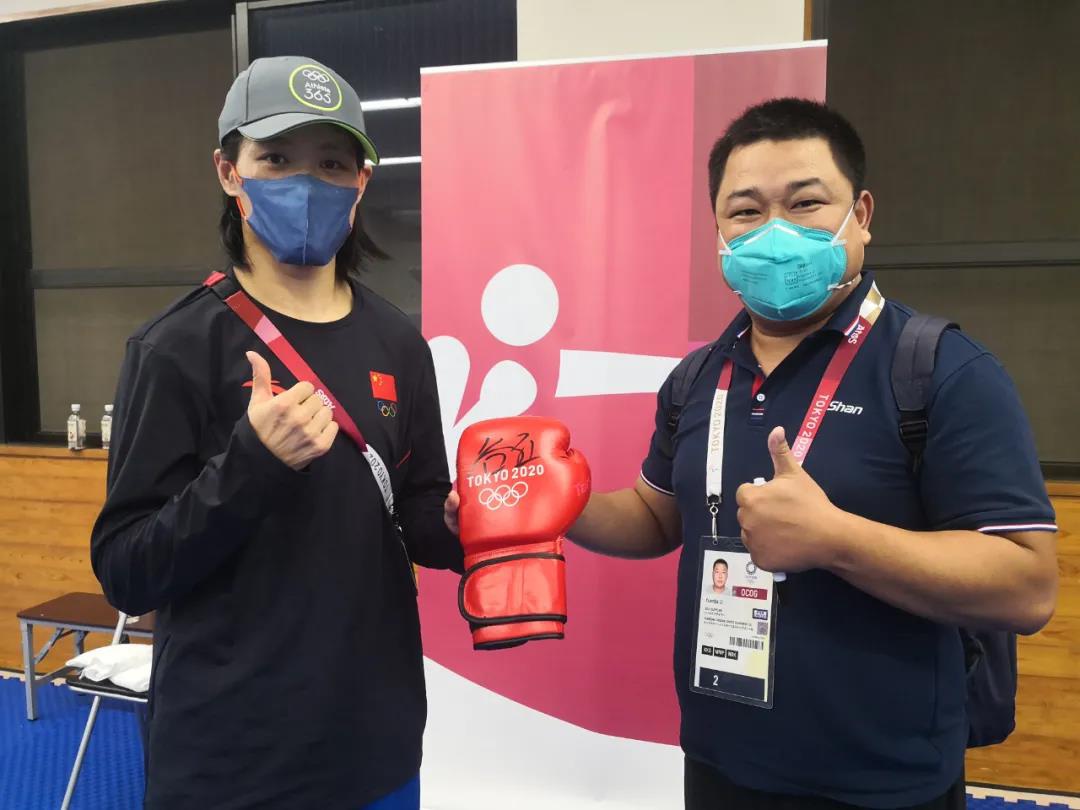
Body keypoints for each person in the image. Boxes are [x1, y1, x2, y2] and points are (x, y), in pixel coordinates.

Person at [555, 98, 1059, 808]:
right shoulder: (698, 377)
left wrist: (836, 540)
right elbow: (655, 514)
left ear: (861, 213)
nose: (775, 231)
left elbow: (1027, 586)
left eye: (805, 203)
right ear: (719, 233)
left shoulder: (941, 370)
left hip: (884, 780)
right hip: (720, 762)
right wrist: (562, 502)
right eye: (746, 211)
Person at [92, 56, 461, 810]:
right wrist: (252, 463)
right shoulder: (175, 348)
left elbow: (418, 514)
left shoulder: (398, 343)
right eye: (277, 159)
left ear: (361, 182)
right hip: (233, 760)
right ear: (229, 172)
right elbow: (128, 570)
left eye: (332, 164)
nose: (307, 182)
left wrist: (472, 524)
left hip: (375, 745)